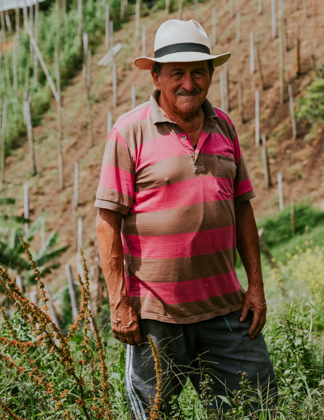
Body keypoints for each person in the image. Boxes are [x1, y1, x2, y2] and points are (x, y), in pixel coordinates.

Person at [95, 19, 278, 419]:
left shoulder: (224, 127)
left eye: (199, 72)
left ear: (211, 75)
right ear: (157, 76)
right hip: (156, 316)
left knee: (256, 407)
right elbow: (107, 221)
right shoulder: (129, 132)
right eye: (177, 72)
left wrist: (256, 287)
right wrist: (119, 304)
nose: (189, 83)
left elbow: (243, 207)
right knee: (158, 414)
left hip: (226, 309)